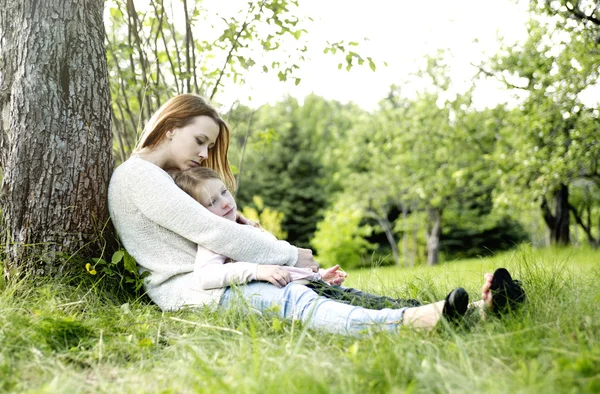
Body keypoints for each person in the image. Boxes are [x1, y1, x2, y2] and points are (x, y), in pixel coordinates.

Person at [107, 93, 525, 335]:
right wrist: (290, 255)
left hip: (230, 277)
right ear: (170, 127)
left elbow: (218, 229)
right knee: (297, 299)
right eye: (200, 140)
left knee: (341, 294)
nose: (203, 153)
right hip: (195, 292)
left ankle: (473, 313)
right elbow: (210, 232)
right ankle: (415, 322)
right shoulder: (138, 176)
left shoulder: (163, 178)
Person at [170, 166, 423, 309]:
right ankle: (421, 313)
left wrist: (319, 274)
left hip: (312, 284)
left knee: (367, 298)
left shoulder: (244, 226)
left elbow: (284, 267)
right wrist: (257, 270)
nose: (225, 203)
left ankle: (427, 308)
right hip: (297, 295)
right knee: (358, 306)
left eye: (224, 192)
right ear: (199, 213)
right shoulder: (214, 238)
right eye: (212, 202)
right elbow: (205, 276)